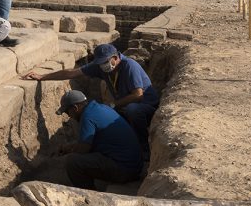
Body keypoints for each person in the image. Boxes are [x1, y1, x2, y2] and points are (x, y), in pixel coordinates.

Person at [23, 44, 159, 146]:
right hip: (123, 106)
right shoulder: (100, 67)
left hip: (146, 107)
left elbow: (138, 95)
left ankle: (144, 147)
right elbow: (71, 73)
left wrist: (113, 105)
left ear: (116, 58)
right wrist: (42, 76)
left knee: (131, 110)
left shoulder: (130, 66)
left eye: (106, 62)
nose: (103, 66)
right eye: (100, 63)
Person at [54, 90, 143, 190]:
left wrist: (70, 150)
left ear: (75, 108)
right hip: (136, 166)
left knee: (73, 162)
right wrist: (69, 147)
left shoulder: (87, 117)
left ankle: (89, 196)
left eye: (67, 111)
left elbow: (83, 150)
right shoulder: (100, 108)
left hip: (125, 170)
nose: (69, 116)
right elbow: (89, 141)